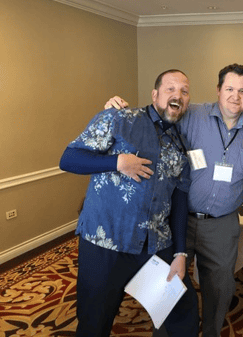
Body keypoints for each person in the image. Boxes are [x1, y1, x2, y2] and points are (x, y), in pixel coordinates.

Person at [105, 63, 243, 337]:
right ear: (218, 90)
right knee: (168, 285)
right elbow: (155, 113)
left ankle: (212, 332)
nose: (235, 96)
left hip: (222, 225)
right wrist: (119, 111)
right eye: (229, 88)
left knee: (219, 287)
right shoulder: (192, 115)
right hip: (178, 220)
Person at [59, 69, 199, 337]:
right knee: (94, 322)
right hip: (105, 242)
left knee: (181, 312)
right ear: (155, 94)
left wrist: (180, 252)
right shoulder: (119, 118)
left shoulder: (180, 145)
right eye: (170, 89)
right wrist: (118, 162)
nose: (177, 96)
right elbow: (68, 159)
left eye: (183, 91)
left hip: (153, 245)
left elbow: (179, 201)